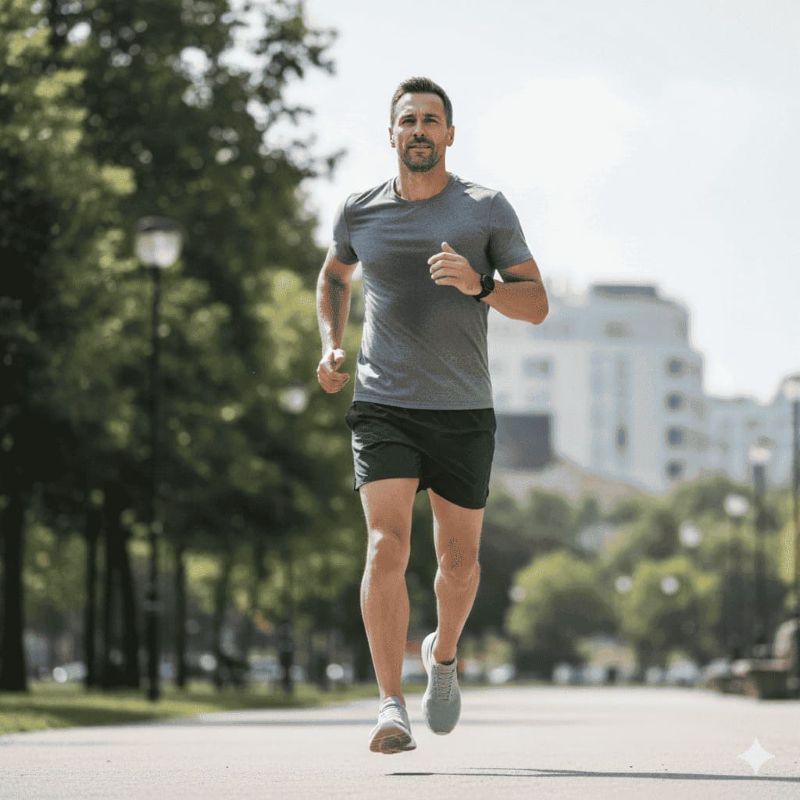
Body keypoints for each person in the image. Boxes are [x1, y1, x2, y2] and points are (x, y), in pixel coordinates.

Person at [315, 76, 548, 754]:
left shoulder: (485, 210)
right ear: (390, 135)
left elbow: (536, 304)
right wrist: (332, 345)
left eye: (431, 120)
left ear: (450, 134)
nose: (419, 129)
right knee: (386, 543)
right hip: (384, 404)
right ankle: (390, 706)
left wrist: (481, 286)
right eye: (407, 120)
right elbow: (334, 276)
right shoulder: (360, 212)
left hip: (463, 409)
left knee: (460, 561)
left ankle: (441, 655)